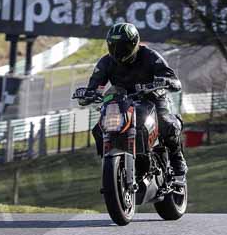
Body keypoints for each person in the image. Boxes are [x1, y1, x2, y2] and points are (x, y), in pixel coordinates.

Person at [78, 22, 188, 175]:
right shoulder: (106, 62)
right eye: (114, 46)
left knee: (165, 123)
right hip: (122, 101)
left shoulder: (150, 56)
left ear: (134, 43)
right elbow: (94, 85)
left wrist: (165, 81)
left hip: (152, 98)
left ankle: (177, 158)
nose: (118, 51)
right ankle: (113, 164)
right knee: (99, 128)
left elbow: (173, 80)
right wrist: (87, 95)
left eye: (123, 47)